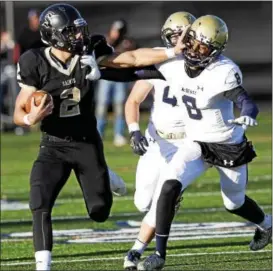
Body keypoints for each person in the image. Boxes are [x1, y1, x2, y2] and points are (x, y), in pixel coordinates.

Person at [13, 3, 185, 270]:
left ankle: (105, 173)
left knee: (99, 212)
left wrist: (172, 52)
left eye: (79, 30)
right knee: (39, 202)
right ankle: (42, 266)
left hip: (86, 143)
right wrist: (29, 118)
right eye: (70, 32)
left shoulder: (89, 51)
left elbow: (132, 59)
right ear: (53, 34)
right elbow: (18, 109)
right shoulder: (33, 61)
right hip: (53, 145)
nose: (78, 36)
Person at [130, 15, 272, 270]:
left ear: (215, 50)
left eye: (203, 47)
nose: (195, 51)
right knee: (169, 185)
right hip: (195, 142)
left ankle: (267, 224)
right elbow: (135, 70)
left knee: (233, 202)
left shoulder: (223, 71)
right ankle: (159, 255)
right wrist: (99, 70)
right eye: (193, 43)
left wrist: (248, 114)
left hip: (227, 145)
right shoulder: (174, 64)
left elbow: (244, 100)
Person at [122, 11, 198, 270]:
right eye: (174, 35)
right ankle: (170, 203)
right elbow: (133, 100)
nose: (177, 40)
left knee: (160, 200)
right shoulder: (159, 59)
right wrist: (134, 130)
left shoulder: (204, 63)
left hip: (186, 145)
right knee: (141, 202)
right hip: (157, 140)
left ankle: (136, 249)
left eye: (182, 34)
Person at [96, 19, 137, 146]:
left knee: (119, 106)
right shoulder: (106, 41)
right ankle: (98, 134)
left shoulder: (127, 42)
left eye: (119, 31)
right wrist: (112, 40)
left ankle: (118, 134)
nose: (116, 33)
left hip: (120, 78)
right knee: (102, 106)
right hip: (106, 77)